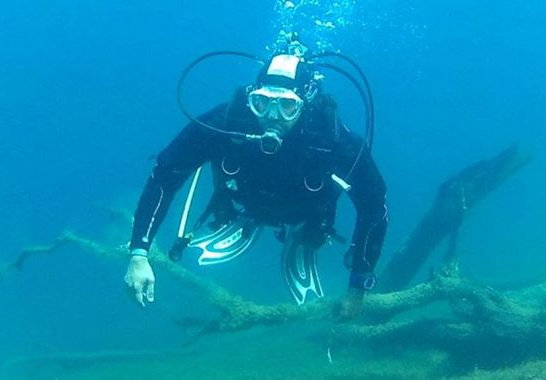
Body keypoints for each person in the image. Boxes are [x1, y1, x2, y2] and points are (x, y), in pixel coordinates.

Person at [123, 49, 388, 319]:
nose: (272, 116)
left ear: (305, 104)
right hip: (243, 202)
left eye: (287, 106)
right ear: (251, 97)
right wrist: (138, 253)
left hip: (306, 215)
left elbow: (374, 206)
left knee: (313, 229)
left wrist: (358, 285)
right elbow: (166, 173)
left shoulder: (332, 140)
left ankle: (304, 235)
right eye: (261, 102)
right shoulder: (225, 123)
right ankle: (246, 220)